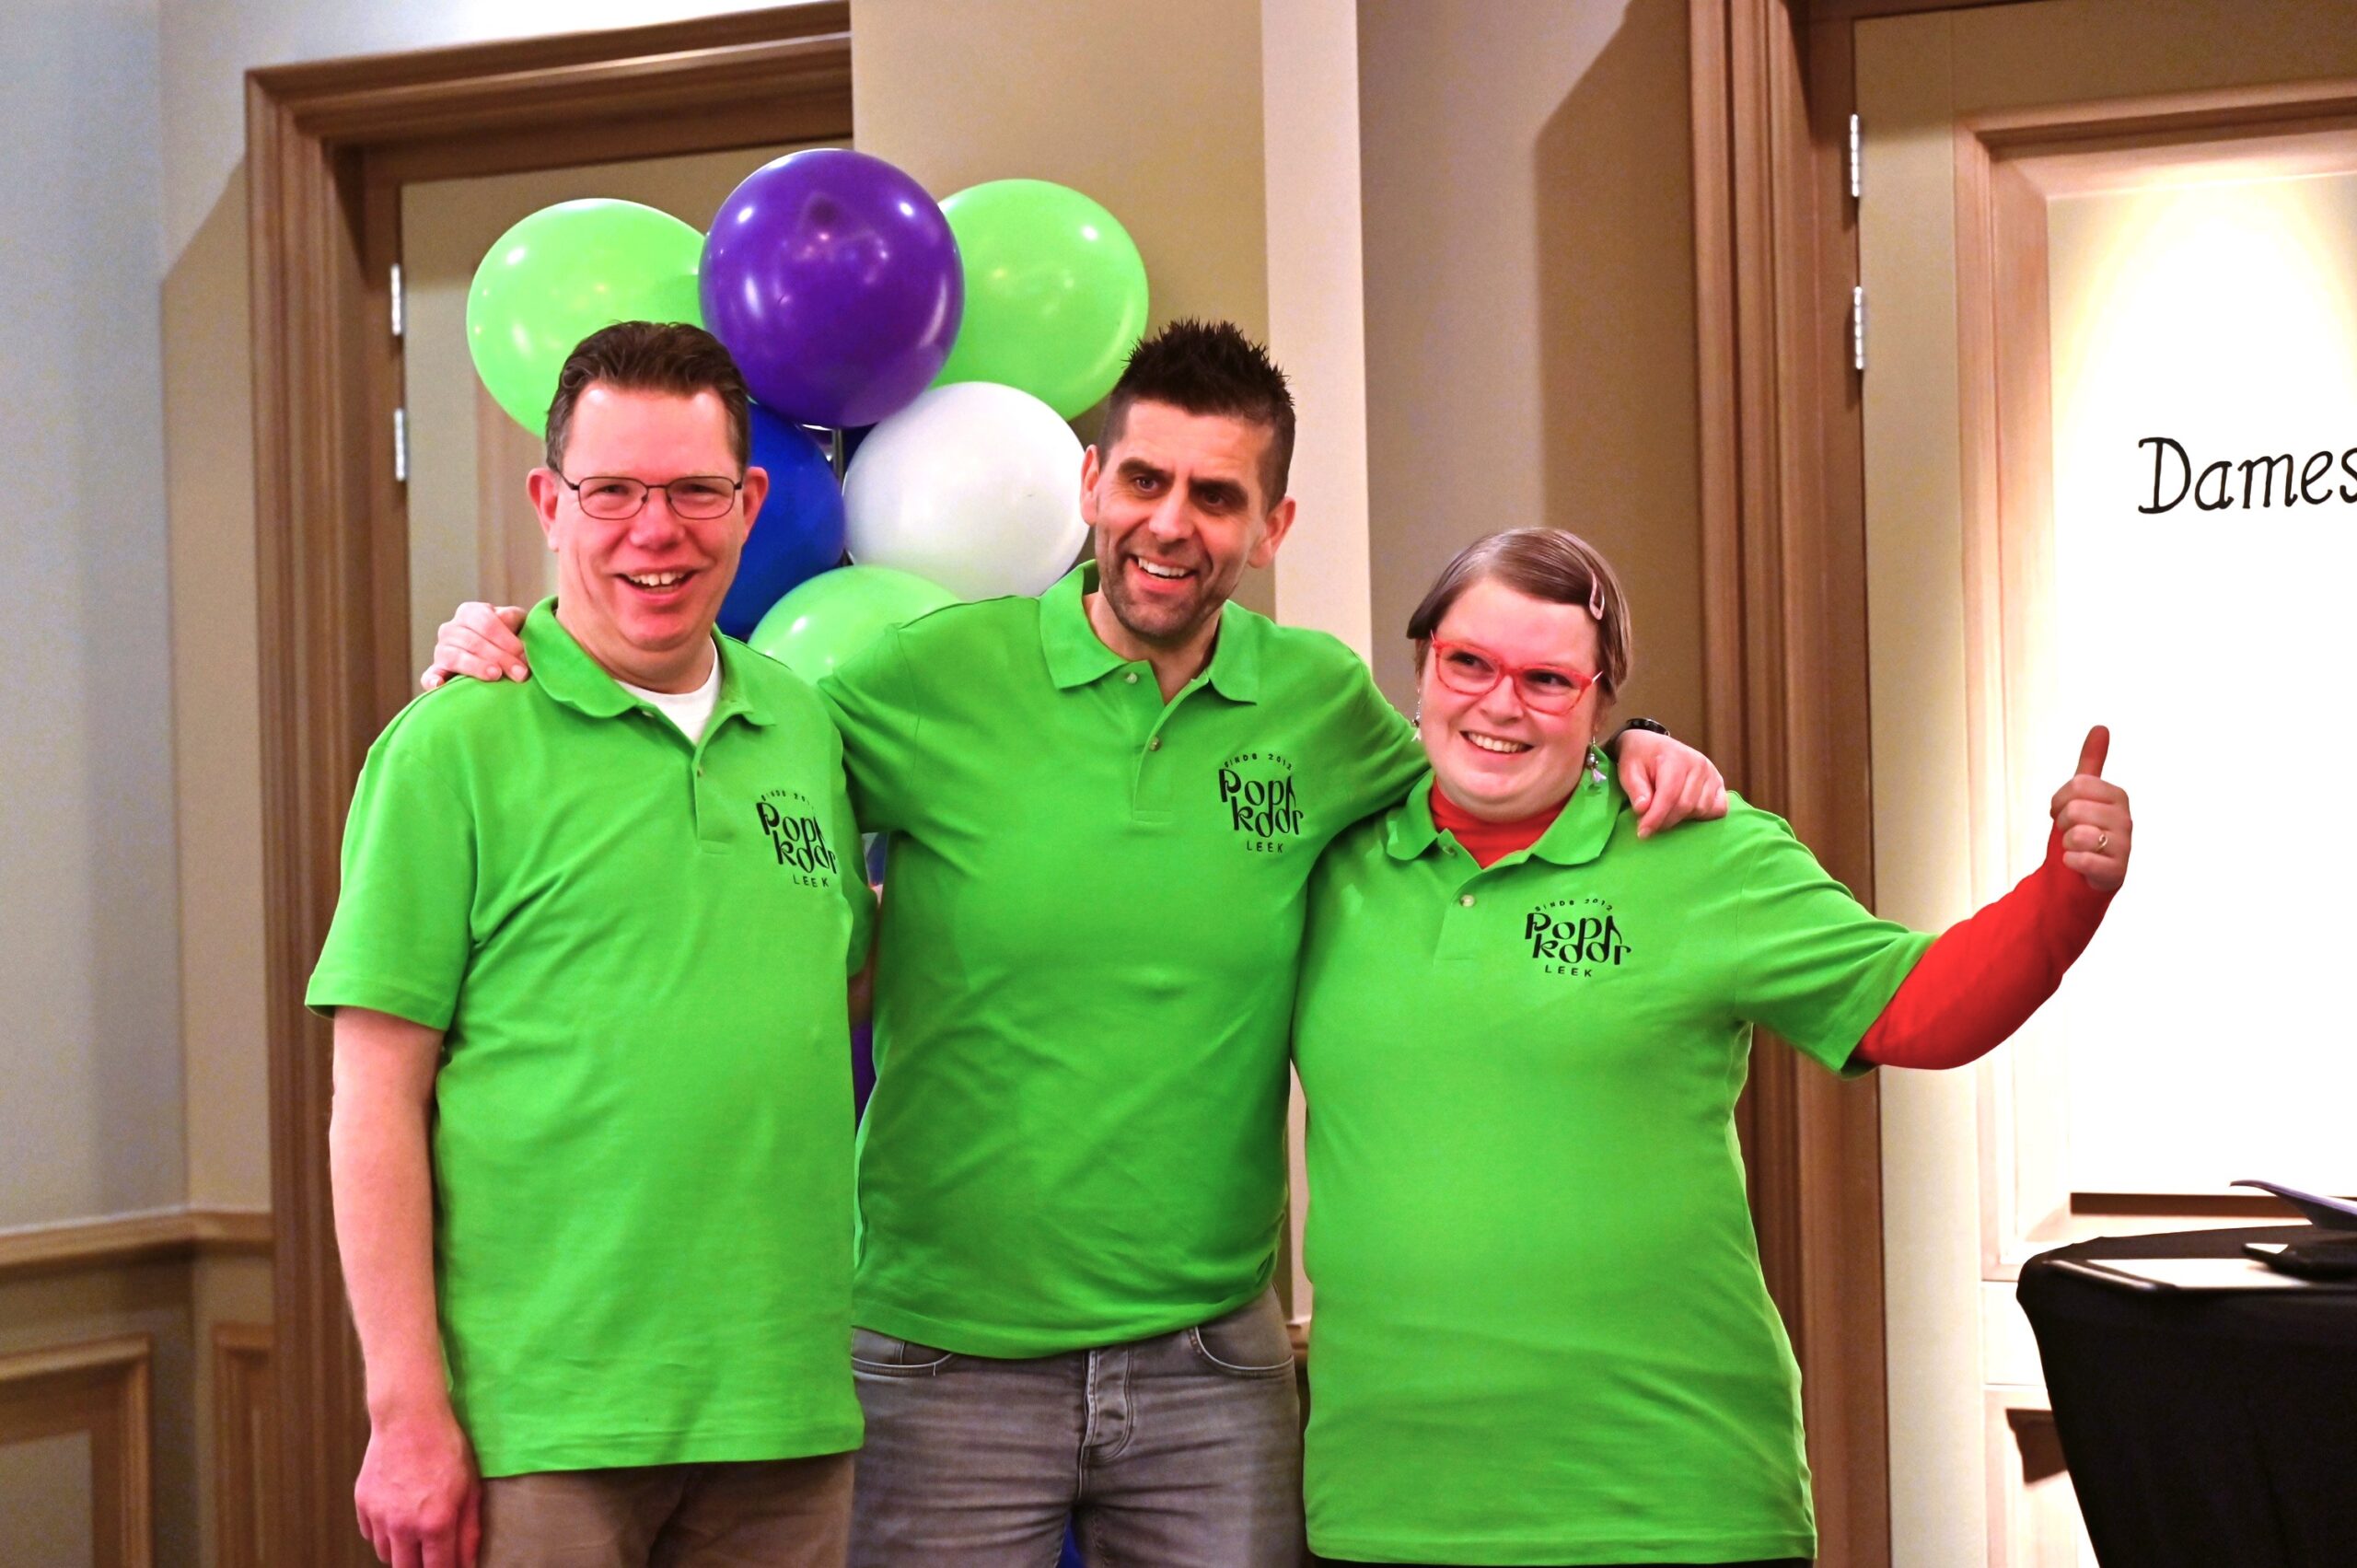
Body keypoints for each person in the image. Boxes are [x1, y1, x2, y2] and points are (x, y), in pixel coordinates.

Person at [424, 321, 1729, 1567]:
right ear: (1092, 483)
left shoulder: (1319, 705)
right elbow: (707, 750)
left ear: (1272, 526)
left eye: (1217, 496)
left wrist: (1630, 746)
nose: (1172, 521)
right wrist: (505, 649)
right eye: (1146, 478)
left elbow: (1485, 778)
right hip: (938, 1358)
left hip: (1213, 1367)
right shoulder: (927, 679)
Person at [1291, 527, 2131, 1568]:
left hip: (1670, 1499)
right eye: (1469, 662)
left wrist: (2068, 891)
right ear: (1419, 663)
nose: (1500, 703)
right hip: (1387, 1505)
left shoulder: (1706, 852)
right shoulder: (1323, 863)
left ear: (1601, 706)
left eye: (1548, 679)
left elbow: (1918, 1008)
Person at [311, 322, 876, 1568]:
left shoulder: (801, 727)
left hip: (784, 1408)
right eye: (612, 490)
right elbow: (373, 1095)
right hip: (541, 1423)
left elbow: (822, 996)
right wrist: (404, 1409)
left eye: (692, 490)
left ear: (752, 501)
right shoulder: (453, 744)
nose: (653, 529)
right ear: (549, 502)